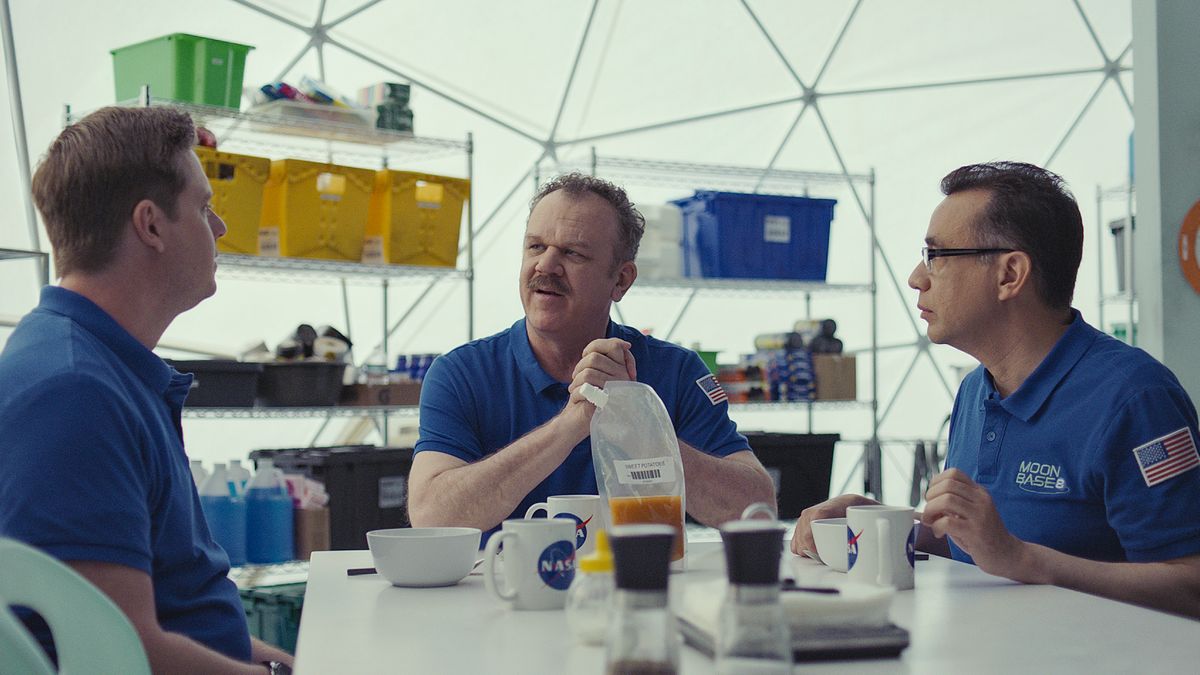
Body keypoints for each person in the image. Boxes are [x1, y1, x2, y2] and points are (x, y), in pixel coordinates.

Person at [791, 161, 1200, 618]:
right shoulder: (974, 391)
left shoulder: (1135, 398)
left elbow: (1190, 583)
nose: (915, 277)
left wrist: (1025, 560)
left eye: (936, 256)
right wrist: (884, 522)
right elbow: (984, 549)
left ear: (1010, 274)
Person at [0, 107, 293, 672]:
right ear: (151, 225)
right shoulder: (74, 394)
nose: (220, 229)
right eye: (204, 208)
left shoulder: (101, 368)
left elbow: (179, 616)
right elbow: (120, 652)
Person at [408, 173, 776, 537]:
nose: (546, 266)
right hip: (503, 592)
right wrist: (569, 426)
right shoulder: (461, 374)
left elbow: (756, 511)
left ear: (621, 281)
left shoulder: (676, 372)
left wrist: (641, 426)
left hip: (639, 590)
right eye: (536, 246)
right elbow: (431, 517)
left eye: (573, 253)